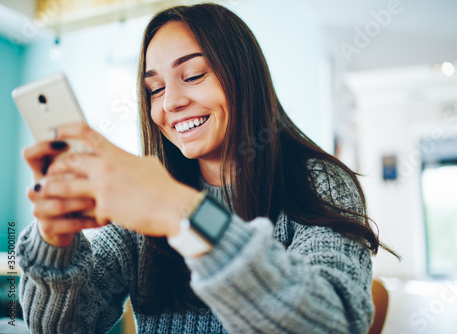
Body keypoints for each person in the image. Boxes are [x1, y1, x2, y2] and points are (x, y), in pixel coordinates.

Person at [17, 3, 396, 333]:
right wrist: (54, 242)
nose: (170, 104)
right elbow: (62, 327)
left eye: (194, 75)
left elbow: (331, 324)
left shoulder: (319, 185)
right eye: (155, 89)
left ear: (243, 76)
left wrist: (183, 212)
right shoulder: (144, 208)